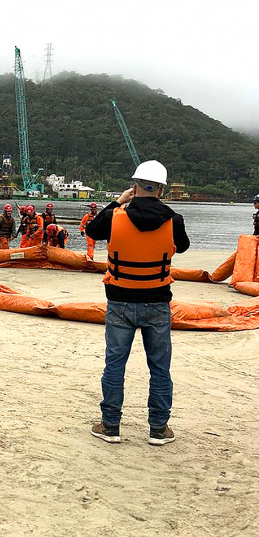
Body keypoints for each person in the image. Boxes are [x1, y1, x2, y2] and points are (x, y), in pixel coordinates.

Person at [84, 160, 190, 446]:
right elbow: (183, 246)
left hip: (120, 300)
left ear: (135, 186)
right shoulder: (174, 219)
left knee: (115, 364)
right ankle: (158, 429)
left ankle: (110, 426)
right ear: (162, 189)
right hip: (157, 302)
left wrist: (117, 202)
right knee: (159, 367)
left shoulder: (115, 216)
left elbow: (92, 231)